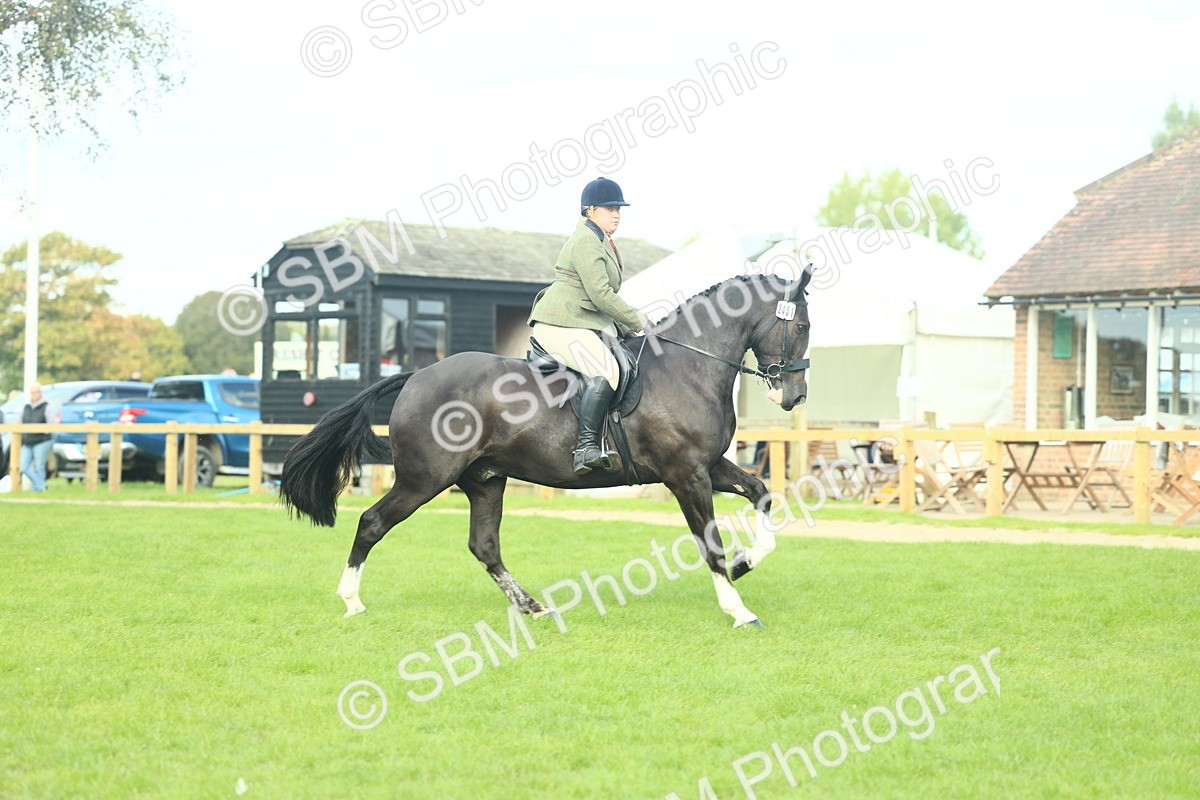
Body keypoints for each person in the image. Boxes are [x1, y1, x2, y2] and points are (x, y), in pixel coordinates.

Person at [528, 176, 649, 475]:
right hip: (559, 322)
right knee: (607, 369)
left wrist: (624, 329)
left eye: (619, 208)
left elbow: (598, 301)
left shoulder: (601, 240)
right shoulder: (585, 240)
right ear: (591, 210)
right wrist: (638, 319)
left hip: (580, 320)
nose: (617, 213)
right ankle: (585, 448)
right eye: (609, 208)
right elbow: (600, 294)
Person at [20, 384, 56, 492]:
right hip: (28, 440)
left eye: (37, 392)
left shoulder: (46, 406)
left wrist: (44, 431)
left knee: (39, 465)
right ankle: (41, 486)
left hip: (42, 440)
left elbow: (51, 423)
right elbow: (21, 422)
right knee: (23, 466)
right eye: (33, 392)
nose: (35, 394)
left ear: (40, 393)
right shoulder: (26, 407)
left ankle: (38, 491)